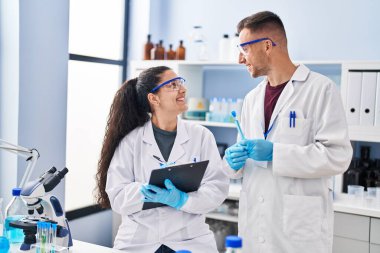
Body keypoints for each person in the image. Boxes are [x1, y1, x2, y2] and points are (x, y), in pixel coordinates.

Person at [223, 11, 353, 253]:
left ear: (266, 45)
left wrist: (276, 153)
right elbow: (240, 161)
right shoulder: (252, 99)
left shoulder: (320, 89)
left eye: (244, 49)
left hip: (298, 232)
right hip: (255, 226)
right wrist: (232, 161)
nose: (240, 59)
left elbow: (337, 156)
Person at [95, 66, 229, 253]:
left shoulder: (201, 136)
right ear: (154, 98)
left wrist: (182, 200)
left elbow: (217, 188)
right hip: (139, 242)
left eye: (181, 82)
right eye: (173, 85)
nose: (182, 89)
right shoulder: (132, 141)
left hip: (189, 239)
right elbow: (117, 196)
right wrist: (145, 191)